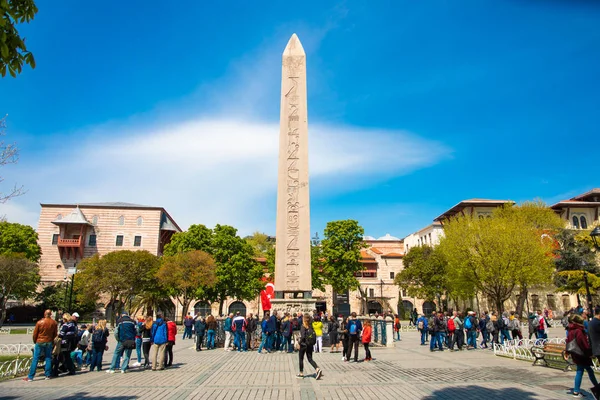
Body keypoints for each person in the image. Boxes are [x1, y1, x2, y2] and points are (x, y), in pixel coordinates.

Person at [567, 314, 600, 398]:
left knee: (587, 370)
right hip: (581, 354)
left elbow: (568, 341)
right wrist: (589, 353)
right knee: (581, 371)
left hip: (576, 353)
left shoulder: (570, 330)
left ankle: (596, 386)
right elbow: (583, 344)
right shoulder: (578, 331)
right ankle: (577, 391)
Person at [23, 309, 57, 381]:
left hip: (40, 341)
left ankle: (31, 376)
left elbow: (35, 334)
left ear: (44, 314)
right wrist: (52, 341)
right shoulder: (54, 323)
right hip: (49, 342)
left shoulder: (39, 322)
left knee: (35, 358)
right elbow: (55, 334)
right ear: (50, 314)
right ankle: (47, 375)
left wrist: (35, 341)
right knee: (48, 358)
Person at [297, 313, 322, 380]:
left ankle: (301, 373)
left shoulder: (303, 326)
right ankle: (317, 369)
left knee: (301, 358)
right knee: (310, 359)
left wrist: (299, 343)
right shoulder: (311, 326)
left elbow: (302, 336)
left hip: (303, 344)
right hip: (310, 344)